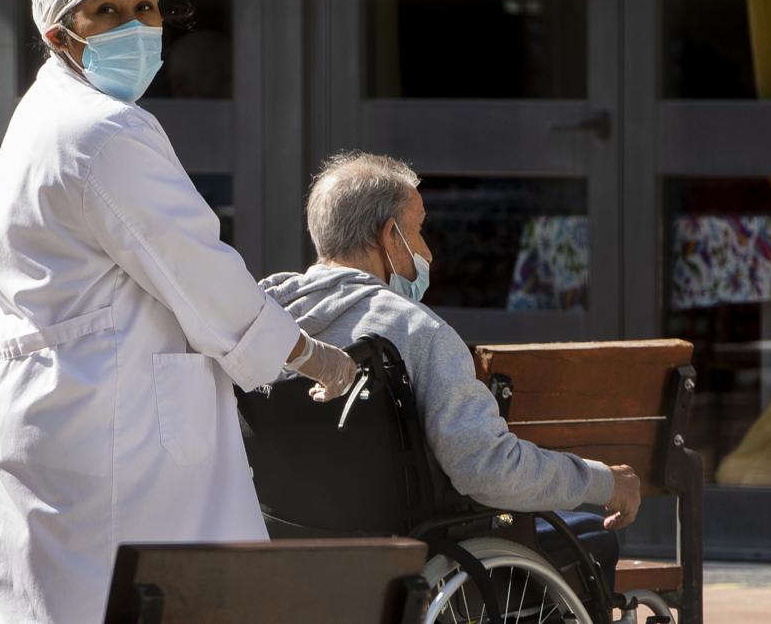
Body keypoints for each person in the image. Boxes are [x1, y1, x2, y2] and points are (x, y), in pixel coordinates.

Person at [0, 0, 356, 622]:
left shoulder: (43, 118)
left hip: (56, 417)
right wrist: (307, 353)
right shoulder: (103, 132)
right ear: (61, 34)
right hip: (112, 433)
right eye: (105, 12)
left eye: (145, 6)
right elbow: (200, 272)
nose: (135, 26)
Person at [260, 150, 643, 584]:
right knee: (593, 538)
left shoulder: (261, 325)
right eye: (419, 231)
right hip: (415, 559)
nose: (427, 251)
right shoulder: (416, 331)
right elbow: (486, 468)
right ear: (389, 236)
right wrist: (602, 482)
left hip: (289, 558)